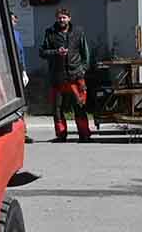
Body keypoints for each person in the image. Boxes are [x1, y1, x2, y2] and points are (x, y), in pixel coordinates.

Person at [38, 10, 98, 143]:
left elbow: (85, 53)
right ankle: (61, 135)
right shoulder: (50, 32)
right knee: (57, 108)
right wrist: (55, 52)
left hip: (76, 75)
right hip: (57, 76)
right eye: (59, 18)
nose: (62, 20)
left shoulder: (78, 32)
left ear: (69, 18)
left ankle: (84, 135)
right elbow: (42, 52)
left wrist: (83, 69)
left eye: (64, 18)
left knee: (80, 106)